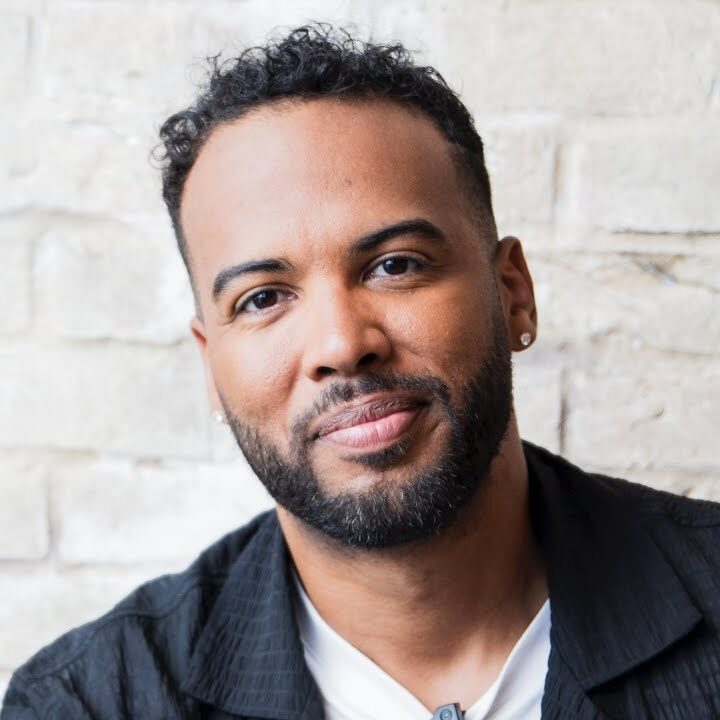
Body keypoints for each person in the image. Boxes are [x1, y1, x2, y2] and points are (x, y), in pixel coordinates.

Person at [2, 23, 720, 720]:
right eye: (263, 299)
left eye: (395, 265)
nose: (342, 345)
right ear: (209, 366)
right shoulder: (92, 701)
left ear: (513, 294)